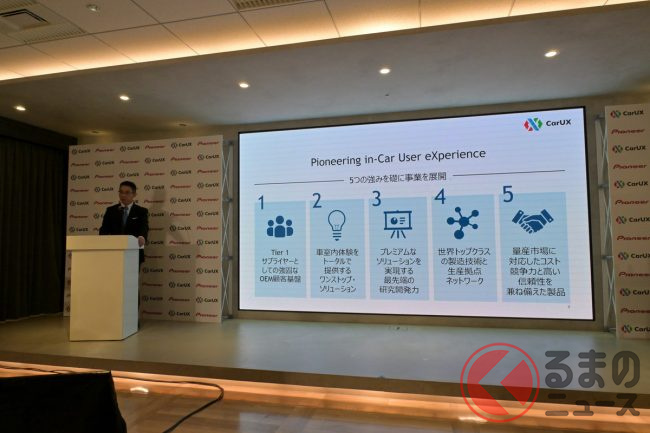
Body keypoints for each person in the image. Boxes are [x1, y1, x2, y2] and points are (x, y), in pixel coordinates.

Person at [99, 181, 149, 264]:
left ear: (134, 194)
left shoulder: (141, 211)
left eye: (127, 192)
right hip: (114, 253)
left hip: (133, 253)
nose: (123, 195)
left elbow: (144, 227)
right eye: (121, 192)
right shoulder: (111, 211)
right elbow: (104, 230)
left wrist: (142, 237)